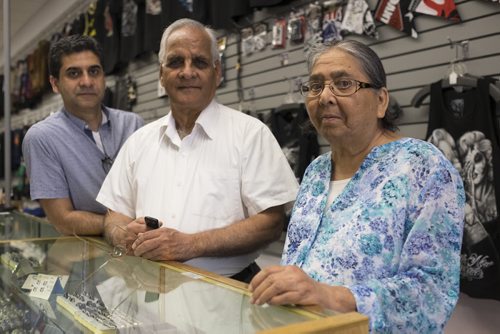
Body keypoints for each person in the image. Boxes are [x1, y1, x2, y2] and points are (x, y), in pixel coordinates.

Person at [248, 40, 465, 333]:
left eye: (344, 83)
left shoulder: (420, 166)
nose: (325, 96)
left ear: (381, 101)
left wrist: (329, 295)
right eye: (315, 86)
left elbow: (431, 292)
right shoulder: (316, 171)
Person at [97, 18, 298, 283]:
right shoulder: (139, 142)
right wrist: (123, 234)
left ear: (217, 73)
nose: (187, 72)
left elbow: (270, 223)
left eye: (199, 62)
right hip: (146, 292)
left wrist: (189, 245)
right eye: (176, 62)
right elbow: (113, 216)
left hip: (225, 294)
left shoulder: (251, 135)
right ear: (161, 74)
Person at [22, 35, 144, 236]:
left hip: (144, 252)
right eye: (74, 73)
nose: (86, 81)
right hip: (84, 258)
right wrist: (121, 225)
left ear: (104, 76)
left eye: (94, 71)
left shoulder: (133, 124)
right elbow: (62, 220)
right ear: (55, 84)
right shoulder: (42, 138)